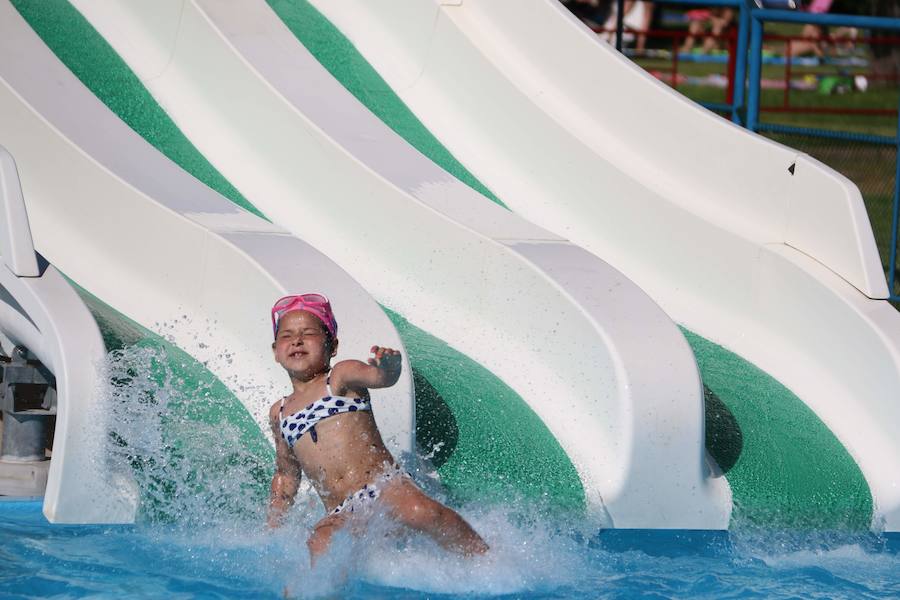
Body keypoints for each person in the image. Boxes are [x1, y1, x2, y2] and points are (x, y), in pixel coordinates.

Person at [266, 293, 488, 564]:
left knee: (422, 511)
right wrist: (274, 524)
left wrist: (388, 368)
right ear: (276, 351)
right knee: (320, 541)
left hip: (385, 486)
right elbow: (286, 474)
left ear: (332, 345)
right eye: (287, 336)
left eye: (308, 333)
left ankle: (486, 559)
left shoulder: (339, 378)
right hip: (342, 509)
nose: (297, 340)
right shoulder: (279, 412)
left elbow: (379, 378)